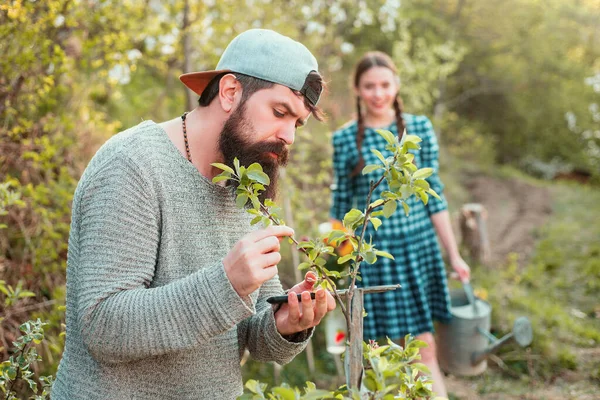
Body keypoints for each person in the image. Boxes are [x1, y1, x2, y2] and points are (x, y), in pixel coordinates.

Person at [52, 29, 336, 400]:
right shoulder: (132, 165)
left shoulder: (249, 183)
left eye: (296, 123)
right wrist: (226, 283)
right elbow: (104, 326)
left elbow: (252, 335)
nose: (289, 136)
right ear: (230, 92)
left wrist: (286, 324)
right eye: (279, 112)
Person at [329, 51, 470, 398]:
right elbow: (339, 209)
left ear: (396, 85)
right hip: (374, 259)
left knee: (424, 348)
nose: (378, 93)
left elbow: (433, 195)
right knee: (370, 352)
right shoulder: (345, 139)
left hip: (418, 252)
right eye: (369, 86)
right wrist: (339, 262)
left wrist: (454, 255)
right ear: (358, 90)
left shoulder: (418, 129)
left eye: (384, 85)